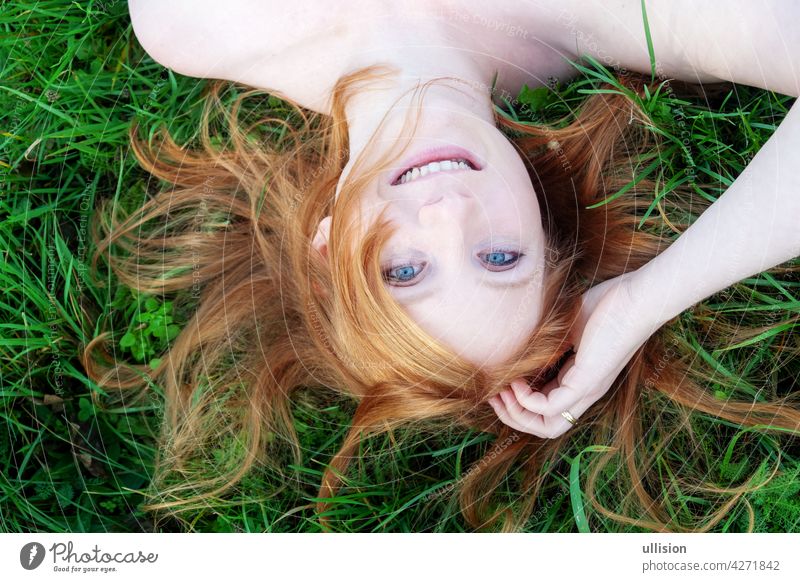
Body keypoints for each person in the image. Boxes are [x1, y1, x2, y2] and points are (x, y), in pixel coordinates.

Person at [86, 0, 800, 531]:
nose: (450, 215)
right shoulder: (617, 16)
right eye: (500, 256)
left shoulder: (197, 23)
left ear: (330, 247)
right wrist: (646, 299)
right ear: (539, 218)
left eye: (404, 271)